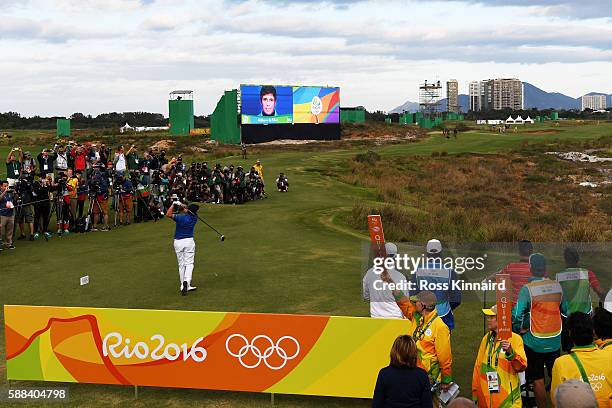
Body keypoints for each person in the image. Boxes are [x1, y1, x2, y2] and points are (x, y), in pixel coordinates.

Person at [512, 253, 567, 408]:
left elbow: (516, 314)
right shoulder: (558, 286)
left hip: (534, 342)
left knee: (537, 380)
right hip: (555, 341)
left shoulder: (527, 289)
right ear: (545, 268)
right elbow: (565, 310)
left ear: (530, 268)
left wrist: (519, 328)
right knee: (555, 377)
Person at [550, 312, 611, 408]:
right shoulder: (608, 355)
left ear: (570, 333)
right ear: (593, 332)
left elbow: (556, 400)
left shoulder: (561, 363)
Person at [472, 305, 527, 408]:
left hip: (508, 402)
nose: (488, 319)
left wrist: (511, 353)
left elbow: (522, 366)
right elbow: (478, 366)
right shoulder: (486, 339)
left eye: (492, 317)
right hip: (485, 399)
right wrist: (475, 392)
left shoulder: (515, 339)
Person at [556, 246, 606, 352]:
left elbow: (556, 299)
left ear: (565, 260)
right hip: (585, 317)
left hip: (566, 318)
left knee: (569, 350)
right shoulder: (587, 274)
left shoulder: (559, 276)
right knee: (587, 347)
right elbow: (600, 291)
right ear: (578, 259)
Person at [372, 335, 433, 408]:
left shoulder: (384, 374)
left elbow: (377, 404)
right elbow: (427, 405)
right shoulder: (422, 375)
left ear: (394, 351)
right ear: (414, 352)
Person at [413, 239, 461, 330]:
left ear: (427, 253)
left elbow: (412, 296)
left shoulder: (417, 271)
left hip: (423, 315)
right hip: (444, 315)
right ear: (441, 253)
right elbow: (456, 299)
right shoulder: (449, 271)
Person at [363, 242, 410, 319]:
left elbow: (366, 296)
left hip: (376, 317)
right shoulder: (401, 277)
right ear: (395, 257)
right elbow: (405, 302)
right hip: (395, 318)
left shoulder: (369, 273)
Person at [166, 201, 199, 295]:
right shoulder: (194, 218)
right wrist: (182, 205)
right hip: (189, 242)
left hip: (178, 242)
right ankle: (187, 282)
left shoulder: (180, 217)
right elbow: (186, 210)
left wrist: (173, 204)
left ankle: (183, 286)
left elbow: (168, 214)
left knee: (181, 264)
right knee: (189, 264)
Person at [498, 240, 533, 305]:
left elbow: (497, 276)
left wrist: (486, 280)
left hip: (515, 307)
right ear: (531, 251)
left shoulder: (510, 267)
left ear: (519, 252)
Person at [0, 180, 16, 250]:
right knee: (1, 231)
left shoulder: (10, 192)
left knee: (10, 230)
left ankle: (9, 243)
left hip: (10, 213)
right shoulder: (2, 192)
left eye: (7, 185)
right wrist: (5, 192)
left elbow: (14, 199)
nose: (7, 187)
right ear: (0, 186)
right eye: (5, 186)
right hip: (2, 214)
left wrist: (15, 194)